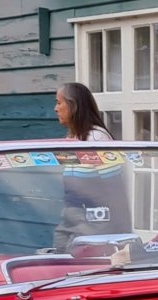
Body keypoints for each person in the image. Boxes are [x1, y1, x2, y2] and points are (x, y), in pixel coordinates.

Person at [51, 82, 130, 252]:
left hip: (93, 222)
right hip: (70, 218)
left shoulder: (97, 139)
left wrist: (124, 234)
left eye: (59, 102)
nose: (55, 109)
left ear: (74, 105)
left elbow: (115, 189)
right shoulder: (74, 139)